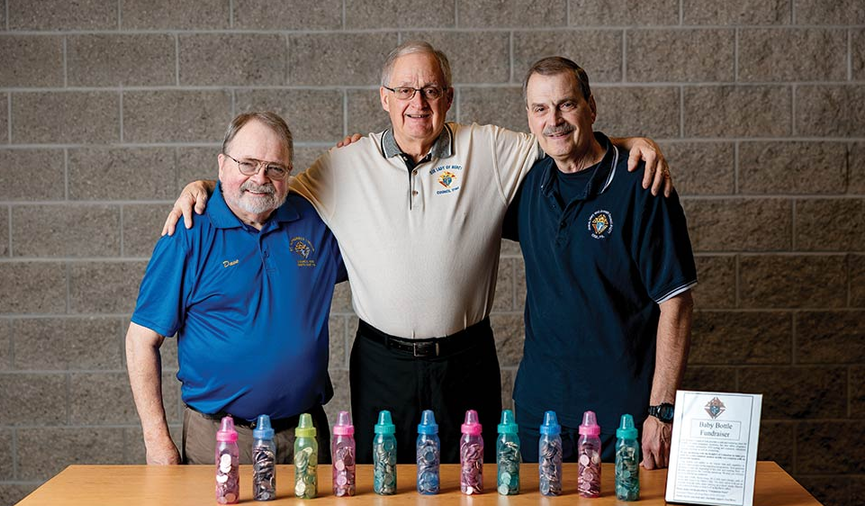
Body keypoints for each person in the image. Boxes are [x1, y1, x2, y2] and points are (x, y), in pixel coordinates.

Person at [162, 41, 672, 464]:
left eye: (430, 90)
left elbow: (562, 137)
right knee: (380, 485)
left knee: (472, 482)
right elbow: (264, 189)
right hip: (381, 364)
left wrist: (630, 143)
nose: (418, 103)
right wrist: (205, 186)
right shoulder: (345, 164)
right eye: (405, 90)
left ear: (448, 97)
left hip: (466, 360)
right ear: (384, 99)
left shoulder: (491, 148)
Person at [503, 57, 695, 469]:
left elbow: (676, 304)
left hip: (620, 419)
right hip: (539, 415)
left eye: (566, 105)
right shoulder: (527, 184)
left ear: (591, 106)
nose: (553, 120)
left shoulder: (641, 185)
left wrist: (661, 412)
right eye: (540, 109)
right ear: (529, 118)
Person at [126, 111, 345, 465]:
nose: (260, 178)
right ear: (222, 164)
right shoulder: (188, 232)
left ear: (289, 172)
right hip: (220, 439)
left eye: (275, 168)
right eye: (248, 163)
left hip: (304, 435)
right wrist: (156, 442)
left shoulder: (315, 222)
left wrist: (357, 156)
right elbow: (140, 340)